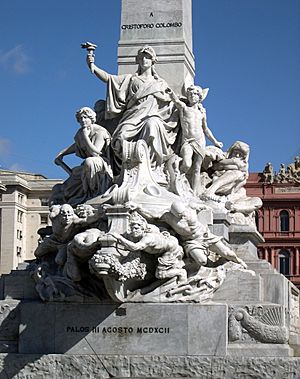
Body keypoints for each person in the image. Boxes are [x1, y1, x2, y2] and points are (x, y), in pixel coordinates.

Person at [86, 45, 178, 168]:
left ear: (153, 61)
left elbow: (170, 103)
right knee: (120, 137)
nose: (144, 60)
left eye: (147, 58)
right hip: (133, 116)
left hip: (152, 116)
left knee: (152, 125)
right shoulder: (131, 79)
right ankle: (129, 168)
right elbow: (109, 79)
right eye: (141, 58)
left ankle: (150, 167)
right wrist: (93, 66)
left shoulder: (160, 83)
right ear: (138, 61)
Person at [130, 201, 247, 276]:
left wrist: (207, 207)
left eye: (184, 212)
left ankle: (239, 262)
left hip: (205, 235)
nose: (184, 216)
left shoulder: (190, 208)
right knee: (202, 261)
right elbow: (152, 216)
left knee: (228, 252)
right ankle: (182, 263)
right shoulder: (168, 217)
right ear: (174, 213)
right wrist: (139, 208)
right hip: (191, 241)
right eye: (180, 214)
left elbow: (204, 206)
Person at [166, 85, 223, 195]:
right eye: (190, 93)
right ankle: (177, 181)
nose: (192, 95)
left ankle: (194, 192)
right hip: (187, 141)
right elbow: (176, 101)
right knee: (187, 164)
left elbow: (206, 130)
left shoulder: (201, 113)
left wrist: (215, 142)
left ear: (200, 97)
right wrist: (171, 93)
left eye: (195, 94)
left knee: (197, 168)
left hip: (200, 141)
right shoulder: (184, 108)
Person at [54, 107, 113, 205]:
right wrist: (63, 153)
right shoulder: (81, 132)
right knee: (71, 183)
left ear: (91, 118)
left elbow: (95, 153)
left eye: (85, 117)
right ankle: (81, 197)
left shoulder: (100, 131)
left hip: (101, 163)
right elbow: (76, 145)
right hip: (88, 164)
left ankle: (93, 194)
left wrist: (86, 136)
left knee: (90, 161)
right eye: (80, 119)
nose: (82, 120)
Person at [108, 211, 187, 284]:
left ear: (142, 229)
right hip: (169, 242)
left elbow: (135, 247)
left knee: (160, 274)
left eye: (136, 228)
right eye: (132, 228)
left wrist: (119, 237)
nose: (133, 231)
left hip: (171, 250)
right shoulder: (148, 228)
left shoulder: (148, 238)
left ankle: (181, 273)